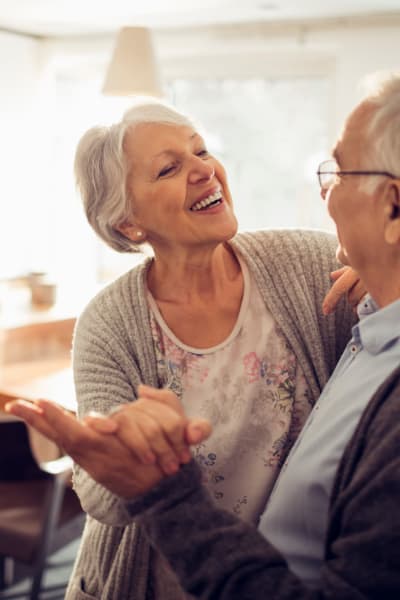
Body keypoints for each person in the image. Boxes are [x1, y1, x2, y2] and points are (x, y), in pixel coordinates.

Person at [10, 100, 361, 599]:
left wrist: (386, 281)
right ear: (129, 222)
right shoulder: (109, 323)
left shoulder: (307, 262)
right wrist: (129, 452)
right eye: (170, 168)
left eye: (201, 150)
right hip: (158, 581)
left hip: (281, 582)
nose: (204, 169)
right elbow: (102, 499)